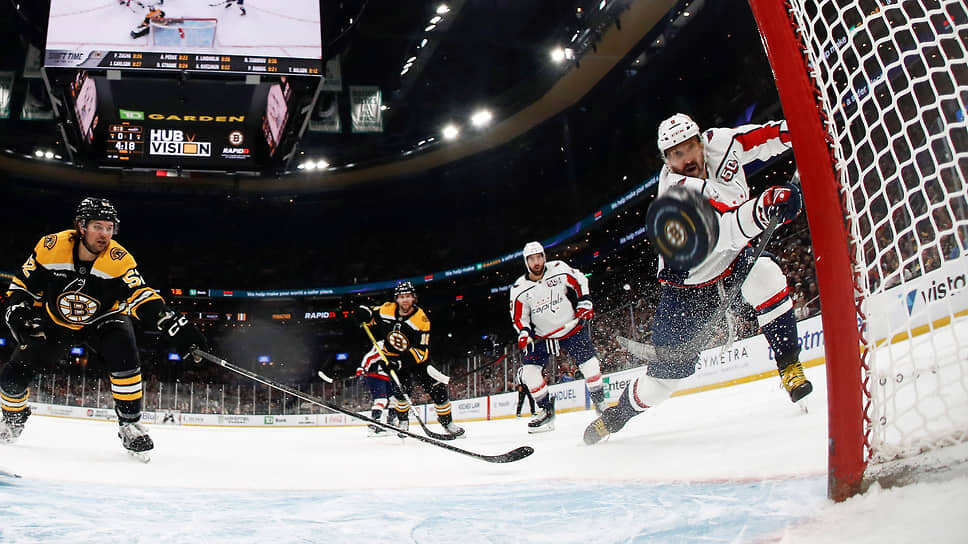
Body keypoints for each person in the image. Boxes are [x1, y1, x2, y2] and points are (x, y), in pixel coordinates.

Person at [584, 113, 811, 445]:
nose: (687, 159)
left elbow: (763, 137)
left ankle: (789, 364)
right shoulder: (674, 193)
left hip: (734, 261)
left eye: (690, 147)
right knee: (662, 382)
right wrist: (763, 208)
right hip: (688, 287)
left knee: (766, 274)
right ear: (666, 161)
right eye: (676, 154)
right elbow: (724, 229)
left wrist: (797, 131)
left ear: (701, 141)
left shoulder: (722, 142)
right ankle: (618, 415)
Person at [0, 197, 207, 459]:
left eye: (110, 228)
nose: (105, 235)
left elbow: (142, 296)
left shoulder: (119, 259)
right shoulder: (50, 247)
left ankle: (130, 424)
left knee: (124, 352)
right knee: (12, 377)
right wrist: (18, 309)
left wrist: (175, 325)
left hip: (104, 320)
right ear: (81, 226)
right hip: (56, 321)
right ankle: (13, 420)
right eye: (98, 227)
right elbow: (22, 285)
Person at [510, 241, 607, 433]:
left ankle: (601, 405)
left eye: (539, 257)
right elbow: (519, 317)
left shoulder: (559, 268)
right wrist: (524, 332)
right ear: (526, 262)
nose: (536, 262)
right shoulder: (519, 288)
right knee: (529, 373)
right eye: (532, 259)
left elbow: (580, 281)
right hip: (543, 337)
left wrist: (585, 302)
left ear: (544, 257)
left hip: (570, 327)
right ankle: (547, 411)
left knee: (590, 365)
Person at [352, 281, 464, 437]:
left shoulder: (421, 320)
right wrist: (362, 314)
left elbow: (420, 352)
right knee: (400, 392)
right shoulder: (386, 309)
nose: (405, 300)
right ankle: (403, 421)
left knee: (438, 389)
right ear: (396, 299)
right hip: (391, 358)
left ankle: (447, 423)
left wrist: (400, 362)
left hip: (417, 361)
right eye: (401, 297)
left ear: (414, 298)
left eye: (408, 296)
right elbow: (370, 317)